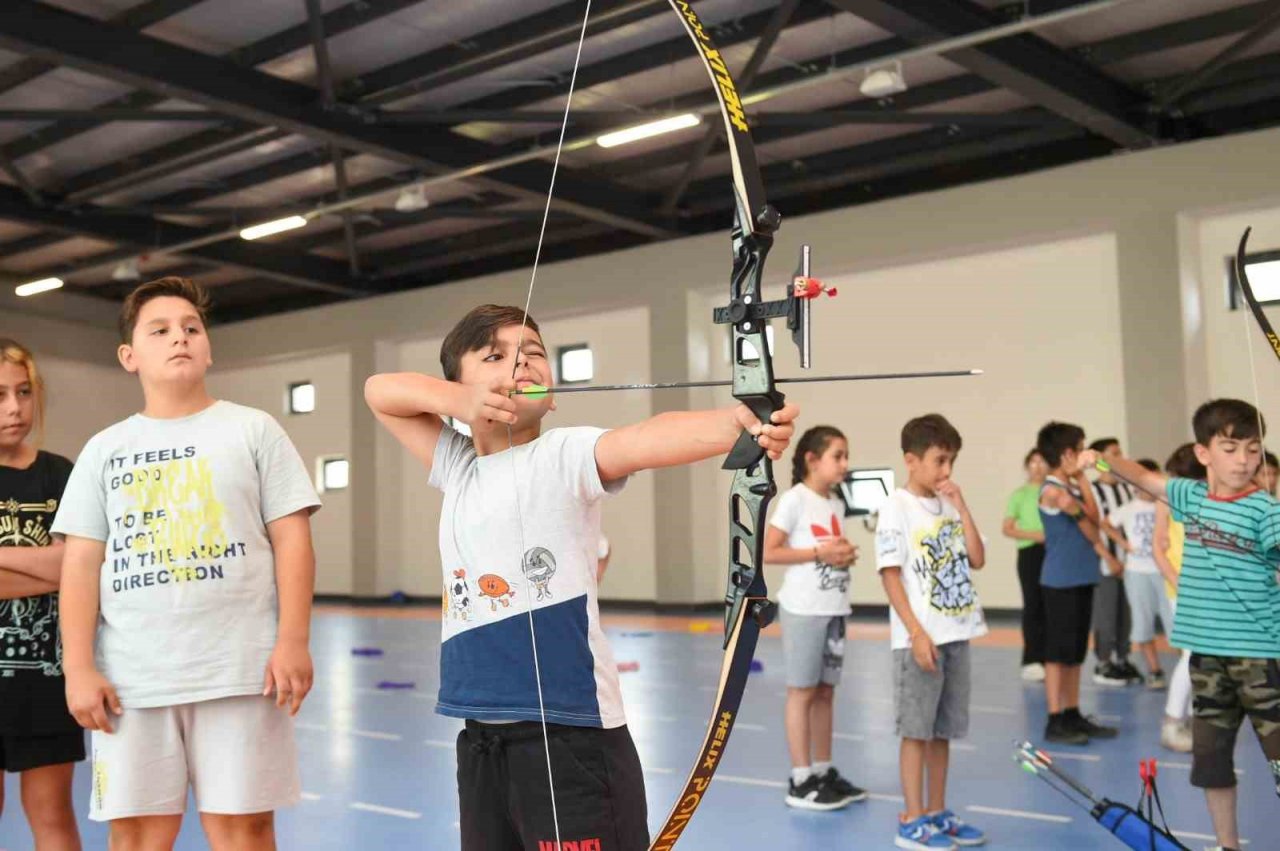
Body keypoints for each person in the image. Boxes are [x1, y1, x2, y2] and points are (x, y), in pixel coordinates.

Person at [364, 303, 798, 851]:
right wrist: (456, 403)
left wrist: (738, 426)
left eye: (535, 355)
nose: (522, 365)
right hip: (480, 741)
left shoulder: (561, 454)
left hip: (569, 736)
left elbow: (644, 438)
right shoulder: (457, 467)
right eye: (494, 356)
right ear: (456, 388)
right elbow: (380, 390)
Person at [53, 277, 322, 851]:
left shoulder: (253, 430)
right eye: (160, 330)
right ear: (129, 356)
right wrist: (78, 667)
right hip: (133, 679)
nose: (179, 337)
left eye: (191, 328)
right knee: (138, 835)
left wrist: (292, 640)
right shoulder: (105, 449)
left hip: (242, 672)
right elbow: (80, 565)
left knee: (244, 830)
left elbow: (292, 540)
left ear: (208, 347)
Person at [1079, 398, 1280, 851]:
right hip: (1207, 656)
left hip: (1262, 657)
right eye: (1231, 448)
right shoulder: (1189, 496)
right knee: (1212, 762)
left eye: (1253, 449)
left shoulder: (1267, 512)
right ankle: (1227, 845)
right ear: (1204, 452)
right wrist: (1102, 458)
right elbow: (1143, 476)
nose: (1245, 460)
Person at [876, 414, 987, 850]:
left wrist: (961, 506)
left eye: (952, 462)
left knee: (943, 732)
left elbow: (977, 559)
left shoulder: (949, 505)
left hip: (957, 631)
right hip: (919, 638)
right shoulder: (895, 507)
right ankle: (912, 817)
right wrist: (917, 633)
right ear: (911, 460)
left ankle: (937, 812)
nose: (947, 471)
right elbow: (889, 576)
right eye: (940, 461)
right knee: (916, 732)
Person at [0, 338, 81, 850]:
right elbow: (55, 565)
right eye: (0, 394)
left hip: (47, 681)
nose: (14, 407)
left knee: (52, 817)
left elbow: (75, 568)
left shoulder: (60, 474)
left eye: (24, 392)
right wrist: (49, 567)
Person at [764, 425, 865, 810]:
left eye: (845, 456)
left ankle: (823, 770)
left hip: (835, 609)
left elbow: (826, 549)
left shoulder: (836, 503)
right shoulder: (795, 500)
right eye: (838, 456)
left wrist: (842, 555)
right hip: (804, 610)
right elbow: (769, 552)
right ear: (812, 459)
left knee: (825, 692)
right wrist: (820, 554)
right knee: (802, 692)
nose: (845, 464)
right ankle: (800, 778)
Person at [1036, 422, 1118, 745]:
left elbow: (1093, 517)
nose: (1086, 456)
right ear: (1068, 454)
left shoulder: (1070, 487)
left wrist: (1083, 477)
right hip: (1060, 581)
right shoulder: (1053, 492)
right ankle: (1055, 719)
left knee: (1075, 652)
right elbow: (1092, 524)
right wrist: (1097, 536)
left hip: (1081, 577)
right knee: (1058, 654)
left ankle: (1072, 713)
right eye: (1082, 449)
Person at [1152, 443, 1204, 753]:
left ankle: (1201, 722)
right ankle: (1172, 723)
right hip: (1182, 589)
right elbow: (1158, 548)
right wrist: (1178, 581)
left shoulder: (1211, 495)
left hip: (1211, 587)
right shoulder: (1167, 497)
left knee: (1207, 658)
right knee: (1192, 655)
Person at [1106, 459, 1170, 689]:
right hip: (1137, 571)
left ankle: (1188, 666)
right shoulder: (1128, 509)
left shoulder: (1165, 505)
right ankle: (1155, 670)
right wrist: (1123, 543)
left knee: (1174, 621)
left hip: (1164, 572)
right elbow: (1105, 524)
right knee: (1142, 623)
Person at [1088, 438, 1140, 687]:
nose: (1120, 457)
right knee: (1106, 614)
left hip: (1130, 564)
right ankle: (1103, 662)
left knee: (1125, 615)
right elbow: (1093, 526)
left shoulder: (1127, 489)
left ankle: (1123, 658)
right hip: (1104, 563)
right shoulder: (1092, 491)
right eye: (1114, 453)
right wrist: (1109, 557)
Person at [1002, 448, 1047, 682]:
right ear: (1027, 466)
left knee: (1052, 604)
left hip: (1053, 552)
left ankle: (1050, 657)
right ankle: (1031, 659)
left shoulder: (1054, 491)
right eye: (1033, 462)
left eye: (1042, 462)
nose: (1038, 466)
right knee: (1033, 604)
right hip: (1029, 552)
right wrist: (1034, 535)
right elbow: (1007, 527)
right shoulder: (1019, 495)